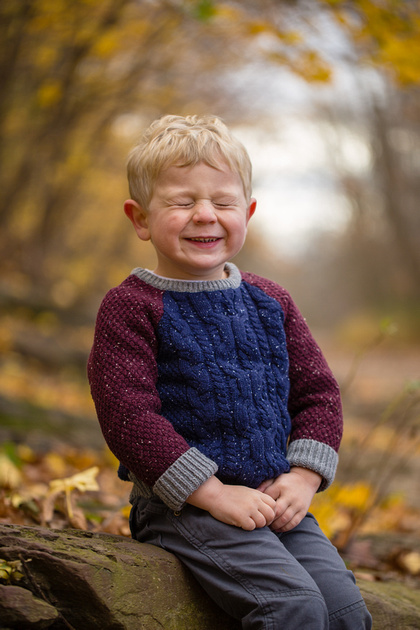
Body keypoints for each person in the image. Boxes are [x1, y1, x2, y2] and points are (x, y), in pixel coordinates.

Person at [88, 114, 372, 629]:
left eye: (222, 202)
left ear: (248, 212)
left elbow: (319, 395)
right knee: (294, 609)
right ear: (141, 218)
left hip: (276, 501)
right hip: (185, 508)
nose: (204, 215)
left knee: (348, 611)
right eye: (181, 202)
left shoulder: (271, 301)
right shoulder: (132, 307)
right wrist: (213, 494)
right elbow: (127, 415)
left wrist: (303, 478)